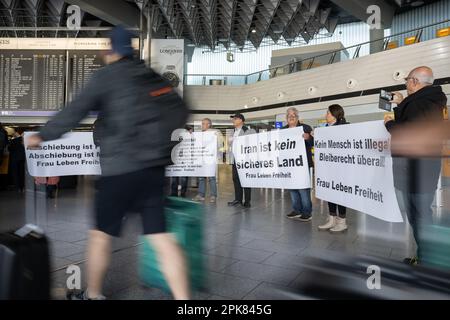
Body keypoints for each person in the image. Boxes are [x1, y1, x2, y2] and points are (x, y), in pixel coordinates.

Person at [27, 25, 190, 300]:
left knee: (101, 234)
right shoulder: (153, 78)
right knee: (161, 237)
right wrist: (160, 146)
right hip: (153, 171)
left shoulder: (107, 76)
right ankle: (185, 302)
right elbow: (181, 111)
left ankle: (93, 295)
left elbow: (75, 110)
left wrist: (43, 135)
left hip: (120, 169)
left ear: (112, 50)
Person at [384, 66, 447, 265]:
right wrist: (402, 102)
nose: (405, 83)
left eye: (407, 80)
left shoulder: (421, 104)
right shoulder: (428, 101)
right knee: (418, 216)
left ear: (415, 81)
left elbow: (407, 132)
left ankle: (428, 260)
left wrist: (389, 125)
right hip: (420, 169)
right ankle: (423, 256)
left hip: (416, 170)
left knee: (419, 216)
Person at [318, 104, 349, 233]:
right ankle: (331, 219)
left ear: (335, 115)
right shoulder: (326, 128)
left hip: (341, 168)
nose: (326, 115)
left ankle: (342, 221)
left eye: (328, 113)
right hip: (328, 167)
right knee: (330, 192)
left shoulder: (344, 127)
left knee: (340, 193)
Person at [284, 107, 314, 222]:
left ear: (297, 117)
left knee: (303, 188)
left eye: (293, 115)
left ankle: (307, 212)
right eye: (289, 116)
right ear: (286, 118)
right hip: (289, 164)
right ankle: (297, 210)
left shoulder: (305, 128)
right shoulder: (282, 130)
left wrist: (308, 138)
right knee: (292, 188)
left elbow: (312, 143)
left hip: (303, 164)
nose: (291, 117)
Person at [227, 113, 256, 208]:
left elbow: (252, 143)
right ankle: (238, 200)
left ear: (240, 120)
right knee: (236, 179)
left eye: (235, 119)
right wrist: (230, 143)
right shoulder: (234, 131)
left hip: (245, 160)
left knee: (246, 180)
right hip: (235, 159)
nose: (233, 120)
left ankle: (247, 201)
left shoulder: (248, 130)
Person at [193, 118, 219, 203]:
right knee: (201, 178)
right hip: (201, 159)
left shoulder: (215, 133)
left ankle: (213, 196)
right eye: (202, 123)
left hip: (210, 159)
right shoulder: (200, 134)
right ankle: (201, 195)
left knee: (211, 177)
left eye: (204, 123)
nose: (202, 125)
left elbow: (219, 144)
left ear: (209, 124)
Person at [170, 125, 192, 197]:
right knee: (175, 177)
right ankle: (175, 194)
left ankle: (181, 194)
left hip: (184, 160)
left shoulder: (189, 138)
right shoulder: (175, 136)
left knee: (183, 178)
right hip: (176, 159)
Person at [8, 128, 26, 192]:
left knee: (15, 173)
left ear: (16, 133)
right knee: (22, 173)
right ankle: (23, 187)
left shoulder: (13, 141)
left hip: (15, 159)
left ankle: (17, 187)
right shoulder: (24, 140)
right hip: (22, 158)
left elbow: (9, 149)